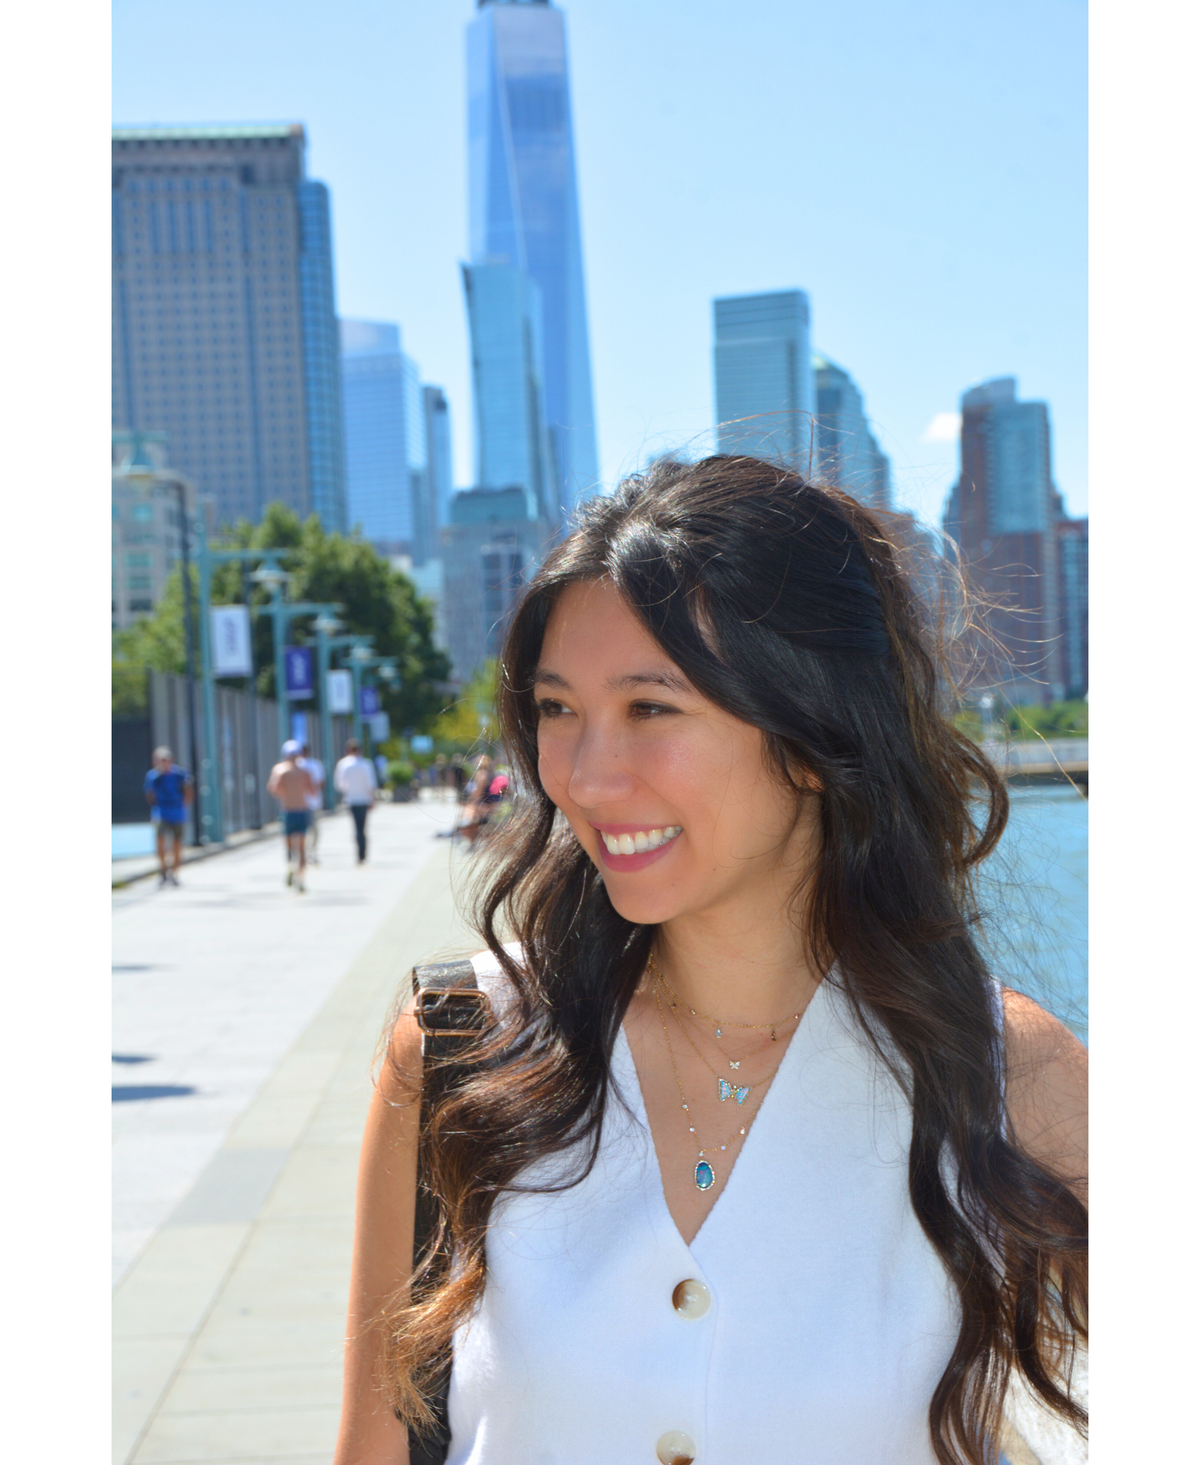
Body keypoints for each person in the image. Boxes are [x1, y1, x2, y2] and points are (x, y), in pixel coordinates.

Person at [334, 458, 1087, 1465]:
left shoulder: (1010, 1077)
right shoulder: (464, 1050)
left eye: (651, 708)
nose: (587, 776)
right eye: (558, 708)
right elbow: (373, 1447)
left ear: (815, 732)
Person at [266, 740, 316, 892]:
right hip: (302, 810)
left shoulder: (280, 770)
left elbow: (274, 789)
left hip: (287, 810)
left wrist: (286, 793)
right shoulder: (304, 772)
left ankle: (290, 866)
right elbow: (312, 791)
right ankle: (300, 877)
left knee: (288, 845)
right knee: (301, 848)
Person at [143, 746, 193, 887]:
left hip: (177, 812)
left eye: (164, 760)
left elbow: (188, 792)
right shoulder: (153, 776)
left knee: (177, 843)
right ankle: (163, 869)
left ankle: (175, 872)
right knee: (160, 840)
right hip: (161, 812)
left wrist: (181, 804)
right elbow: (150, 794)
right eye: (159, 760)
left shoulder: (180, 774)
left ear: (170, 761)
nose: (162, 763)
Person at [335, 738, 377, 863]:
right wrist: (373, 799)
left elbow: (340, 785)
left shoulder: (343, 765)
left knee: (356, 827)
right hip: (364, 799)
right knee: (362, 827)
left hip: (351, 799)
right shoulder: (366, 764)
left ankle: (359, 853)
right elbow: (371, 784)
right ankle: (362, 853)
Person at [298, 742, 326, 864]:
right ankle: (311, 851)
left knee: (302, 829)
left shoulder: (295, 766)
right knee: (313, 830)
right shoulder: (315, 764)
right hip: (313, 802)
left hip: (299, 803)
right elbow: (321, 782)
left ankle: (304, 852)